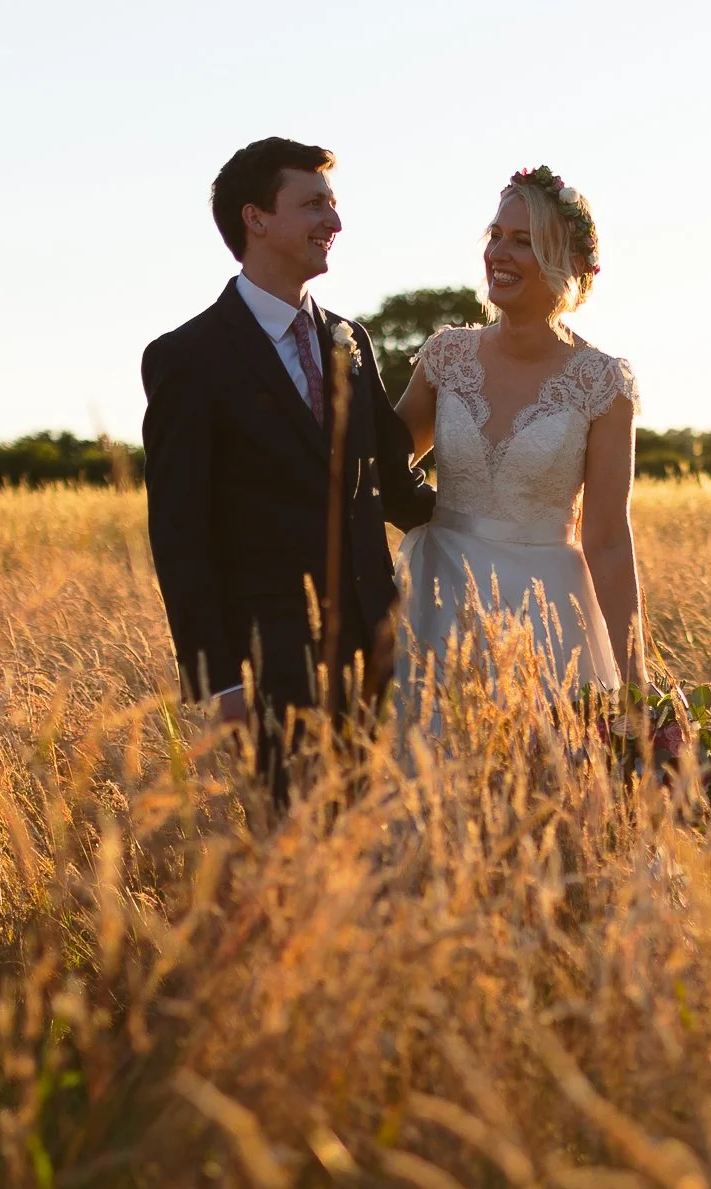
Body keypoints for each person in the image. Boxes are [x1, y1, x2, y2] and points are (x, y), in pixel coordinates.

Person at [141, 137, 435, 797]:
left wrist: (502, 505)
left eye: (333, 205)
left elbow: (391, 483)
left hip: (377, 654)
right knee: (296, 862)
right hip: (273, 662)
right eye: (314, 205)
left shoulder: (350, 339)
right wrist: (220, 680)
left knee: (378, 856)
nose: (333, 222)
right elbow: (179, 536)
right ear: (256, 218)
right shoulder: (188, 358)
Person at [392, 166, 645, 704]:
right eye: (496, 236)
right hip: (439, 598)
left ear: (570, 263)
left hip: (548, 613)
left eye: (523, 242)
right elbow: (379, 469)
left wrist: (635, 683)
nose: (498, 254)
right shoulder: (446, 357)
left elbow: (605, 539)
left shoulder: (602, 383)